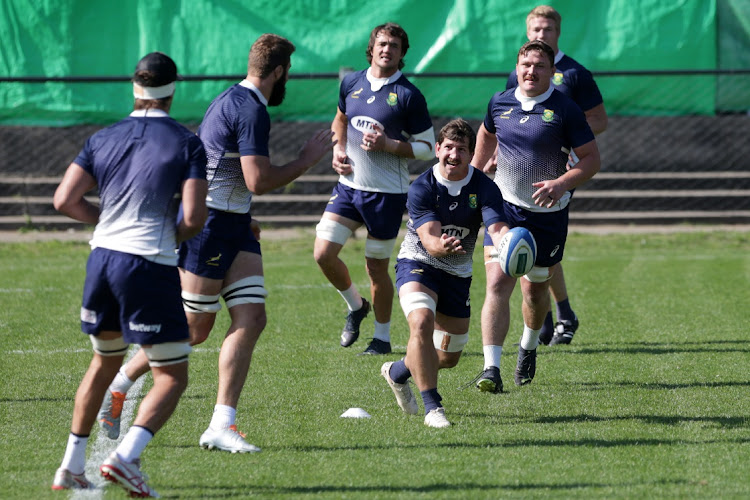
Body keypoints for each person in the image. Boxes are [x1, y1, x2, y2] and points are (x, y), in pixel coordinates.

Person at [96, 34, 335, 453]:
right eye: (288, 72)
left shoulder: (230, 98)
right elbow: (257, 179)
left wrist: (241, 213)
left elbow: (215, 165)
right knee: (194, 328)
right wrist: (305, 160)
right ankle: (118, 386)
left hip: (233, 224)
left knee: (252, 319)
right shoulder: (250, 111)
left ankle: (222, 424)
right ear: (279, 71)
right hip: (210, 230)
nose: (287, 79)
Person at [51, 52, 208, 497]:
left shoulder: (103, 137)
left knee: (104, 362)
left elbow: (64, 200)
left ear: (134, 88)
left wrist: (106, 222)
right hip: (146, 263)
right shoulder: (185, 141)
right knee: (172, 375)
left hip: (101, 259)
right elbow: (194, 217)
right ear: (173, 89)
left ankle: (70, 466)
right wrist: (164, 234)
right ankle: (125, 457)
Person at [472, 40, 600, 393]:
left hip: (547, 215)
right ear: (517, 68)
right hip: (504, 209)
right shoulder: (500, 101)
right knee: (497, 284)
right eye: (525, 64)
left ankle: (528, 347)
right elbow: (486, 132)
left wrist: (561, 184)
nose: (531, 71)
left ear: (551, 72)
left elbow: (591, 159)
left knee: (534, 291)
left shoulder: (565, 109)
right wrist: (476, 172)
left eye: (539, 66)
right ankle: (491, 368)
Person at [313, 22, 435, 355]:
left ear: (402, 53)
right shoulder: (351, 82)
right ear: (372, 46)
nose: (387, 49)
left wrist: (389, 145)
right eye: (382, 43)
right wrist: (338, 149)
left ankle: (381, 338)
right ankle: (356, 306)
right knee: (323, 253)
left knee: (376, 267)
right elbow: (340, 119)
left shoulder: (408, 95)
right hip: (348, 188)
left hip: (386, 195)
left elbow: (429, 148)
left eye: (394, 46)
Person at [381, 118, 509, 428]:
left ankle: (397, 372)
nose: (454, 155)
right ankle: (432, 408)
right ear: (438, 149)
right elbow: (429, 239)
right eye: (448, 148)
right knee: (421, 323)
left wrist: (509, 242)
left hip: (457, 275)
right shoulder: (423, 187)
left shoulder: (484, 187)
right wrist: (442, 245)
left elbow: (496, 226)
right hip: (418, 264)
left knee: (448, 358)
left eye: (462, 149)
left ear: (471, 154)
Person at [503, 5, 608, 346]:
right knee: (532, 245)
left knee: (539, 243)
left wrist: (566, 138)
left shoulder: (575, 74)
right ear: (527, 31)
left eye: (547, 30)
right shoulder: (521, 71)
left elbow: (599, 120)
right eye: (535, 29)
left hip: (559, 170)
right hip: (519, 173)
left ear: (557, 32)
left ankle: (553, 316)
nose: (540, 35)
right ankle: (556, 315)